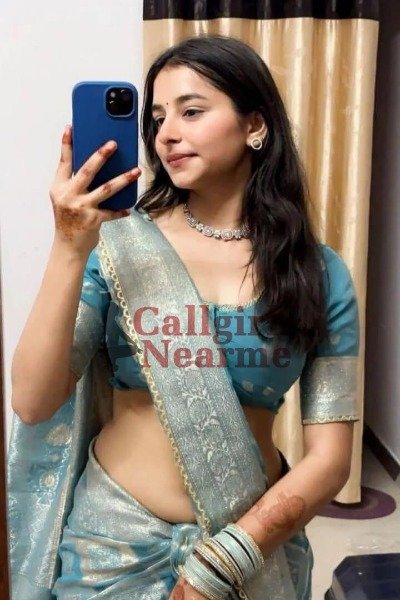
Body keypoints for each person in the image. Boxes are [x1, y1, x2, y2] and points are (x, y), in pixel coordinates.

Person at [8, 35, 360, 600]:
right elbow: (32, 401)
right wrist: (70, 248)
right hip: (111, 550)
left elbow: (330, 459)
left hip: (251, 557)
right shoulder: (118, 247)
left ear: (255, 125)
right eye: (156, 118)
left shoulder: (316, 272)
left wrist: (220, 566)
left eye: (191, 111)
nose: (166, 134)